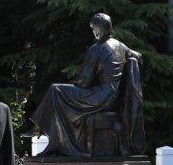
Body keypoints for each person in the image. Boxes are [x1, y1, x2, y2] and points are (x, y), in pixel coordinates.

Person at [24, 13, 145, 157]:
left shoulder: (97, 48)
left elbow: (83, 82)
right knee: (60, 94)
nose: (94, 32)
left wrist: (77, 84)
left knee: (56, 90)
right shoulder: (121, 46)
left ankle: (46, 135)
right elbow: (137, 56)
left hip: (100, 96)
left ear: (99, 29)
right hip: (113, 98)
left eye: (94, 28)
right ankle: (52, 141)